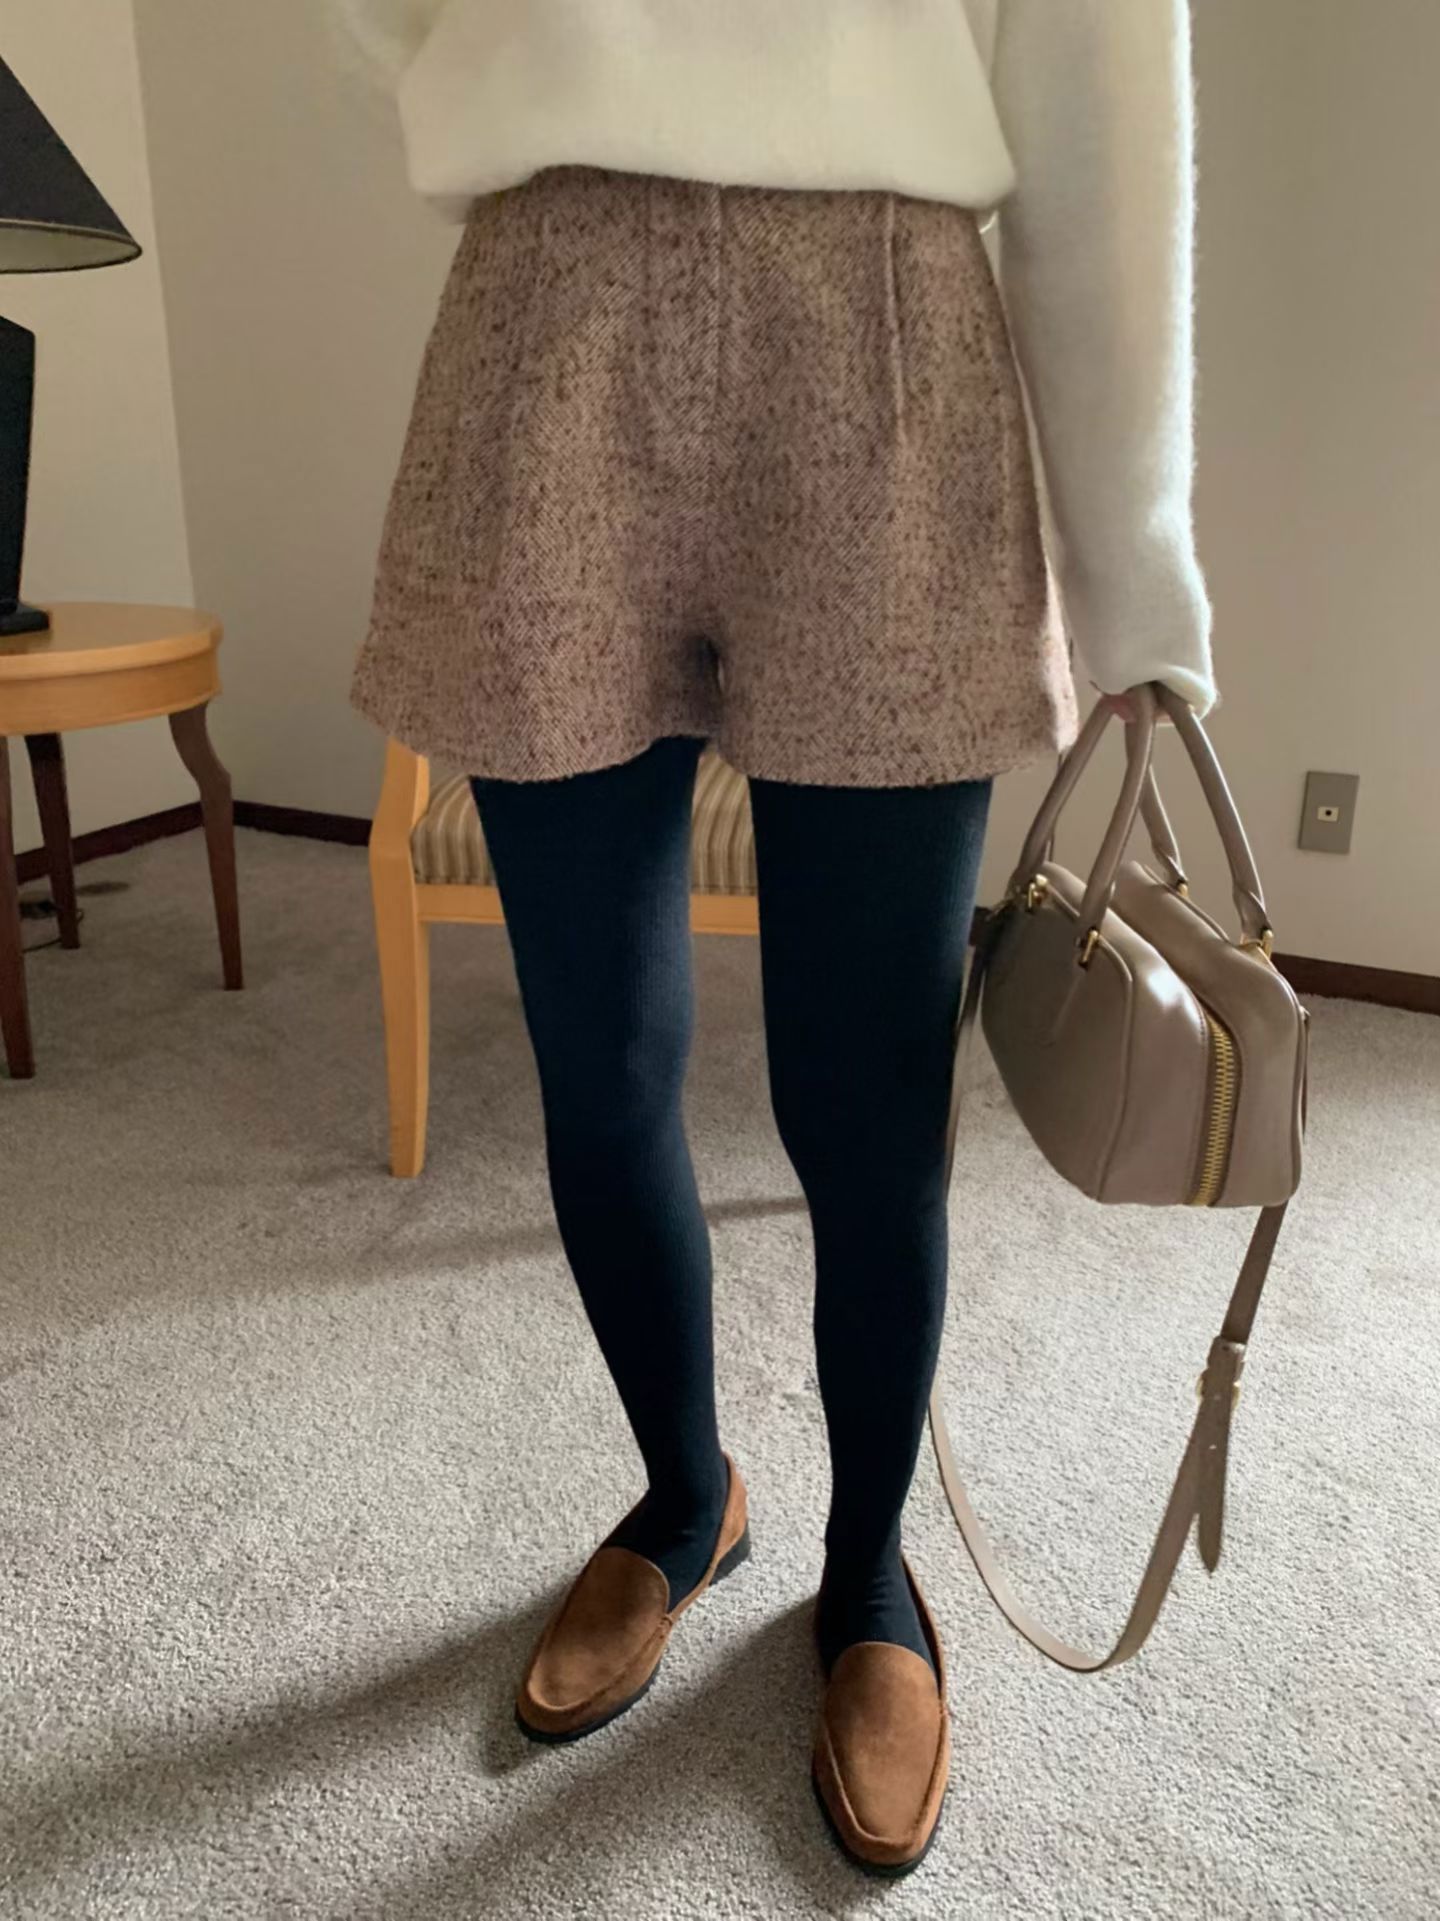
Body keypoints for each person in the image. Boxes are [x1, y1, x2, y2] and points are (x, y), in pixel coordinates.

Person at [334, 0, 1215, 1878]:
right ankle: (684, 1495)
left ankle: (868, 1567)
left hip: (888, 327)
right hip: (549, 312)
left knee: (869, 1098)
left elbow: (1101, 122)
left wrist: (1139, 579)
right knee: (596, 1055)